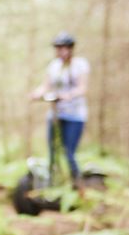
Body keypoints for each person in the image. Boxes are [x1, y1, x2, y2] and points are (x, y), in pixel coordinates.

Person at [28, 33, 90, 186]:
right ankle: (53, 183)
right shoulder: (54, 66)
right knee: (52, 150)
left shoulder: (80, 65)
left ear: (70, 49)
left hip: (75, 115)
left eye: (64, 48)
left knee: (69, 153)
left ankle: (77, 184)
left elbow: (82, 88)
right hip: (56, 114)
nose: (61, 51)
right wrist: (36, 94)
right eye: (58, 48)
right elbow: (46, 85)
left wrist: (69, 95)